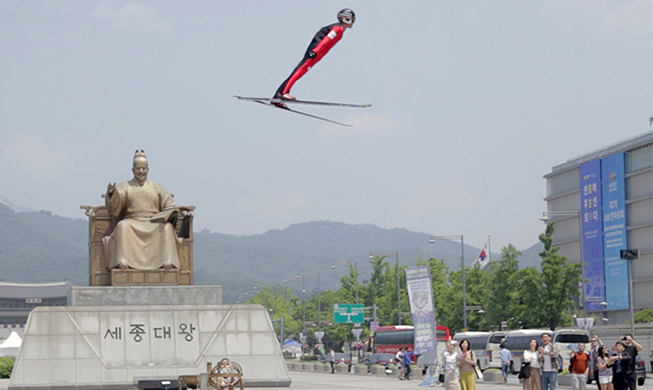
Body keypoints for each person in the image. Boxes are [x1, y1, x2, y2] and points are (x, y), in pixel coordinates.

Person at [103, 150, 182, 270]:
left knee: (167, 228)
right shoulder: (125, 186)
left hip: (154, 222)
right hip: (132, 221)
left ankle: (167, 262)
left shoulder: (157, 187)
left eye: (144, 168)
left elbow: (169, 205)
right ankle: (123, 262)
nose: (141, 171)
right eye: (138, 168)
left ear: (148, 170)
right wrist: (112, 194)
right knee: (122, 226)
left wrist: (172, 212)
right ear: (133, 170)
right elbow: (114, 209)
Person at [273, 9, 355, 104]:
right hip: (315, 53)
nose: (353, 21)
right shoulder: (337, 29)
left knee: (299, 71)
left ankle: (278, 97)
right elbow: (326, 40)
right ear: (347, 18)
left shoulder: (340, 30)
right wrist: (315, 52)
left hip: (318, 55)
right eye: (353, 19)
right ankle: (283, 93)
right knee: (299, 71)